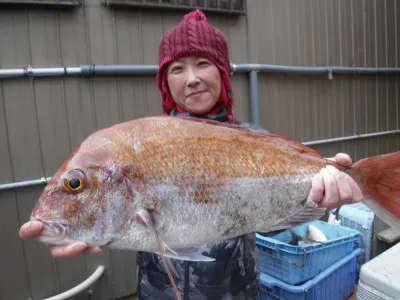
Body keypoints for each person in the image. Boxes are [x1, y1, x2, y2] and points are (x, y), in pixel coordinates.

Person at [19, 9, 363, 300]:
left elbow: (269, 228)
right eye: (178, 68)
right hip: (157, 291)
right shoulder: (143, 146)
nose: (193, 78)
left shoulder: (254, 140)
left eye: (203, 63)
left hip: (236, 290)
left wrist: (323, 193)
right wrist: (88, 226)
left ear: (223, 74)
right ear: (165, 81)